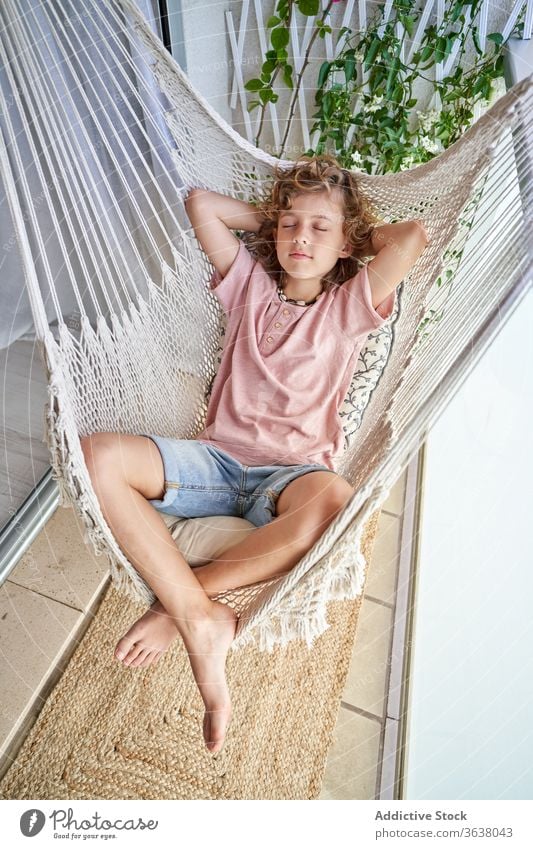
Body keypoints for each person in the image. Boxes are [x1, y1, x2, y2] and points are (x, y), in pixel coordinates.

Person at [80, 154, 429, 754]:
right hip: (215, 463)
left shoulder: (346, 311)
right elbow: (202, 206)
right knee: (96, 457)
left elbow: (413, 238)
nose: (301, 237)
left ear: (345, 246)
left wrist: (343, 232)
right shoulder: (250, 291)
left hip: (292, 476)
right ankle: (200, 616)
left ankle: (180, 609)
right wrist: (282, 222)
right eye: (291, 225)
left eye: (320, 230)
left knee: (338, 503)